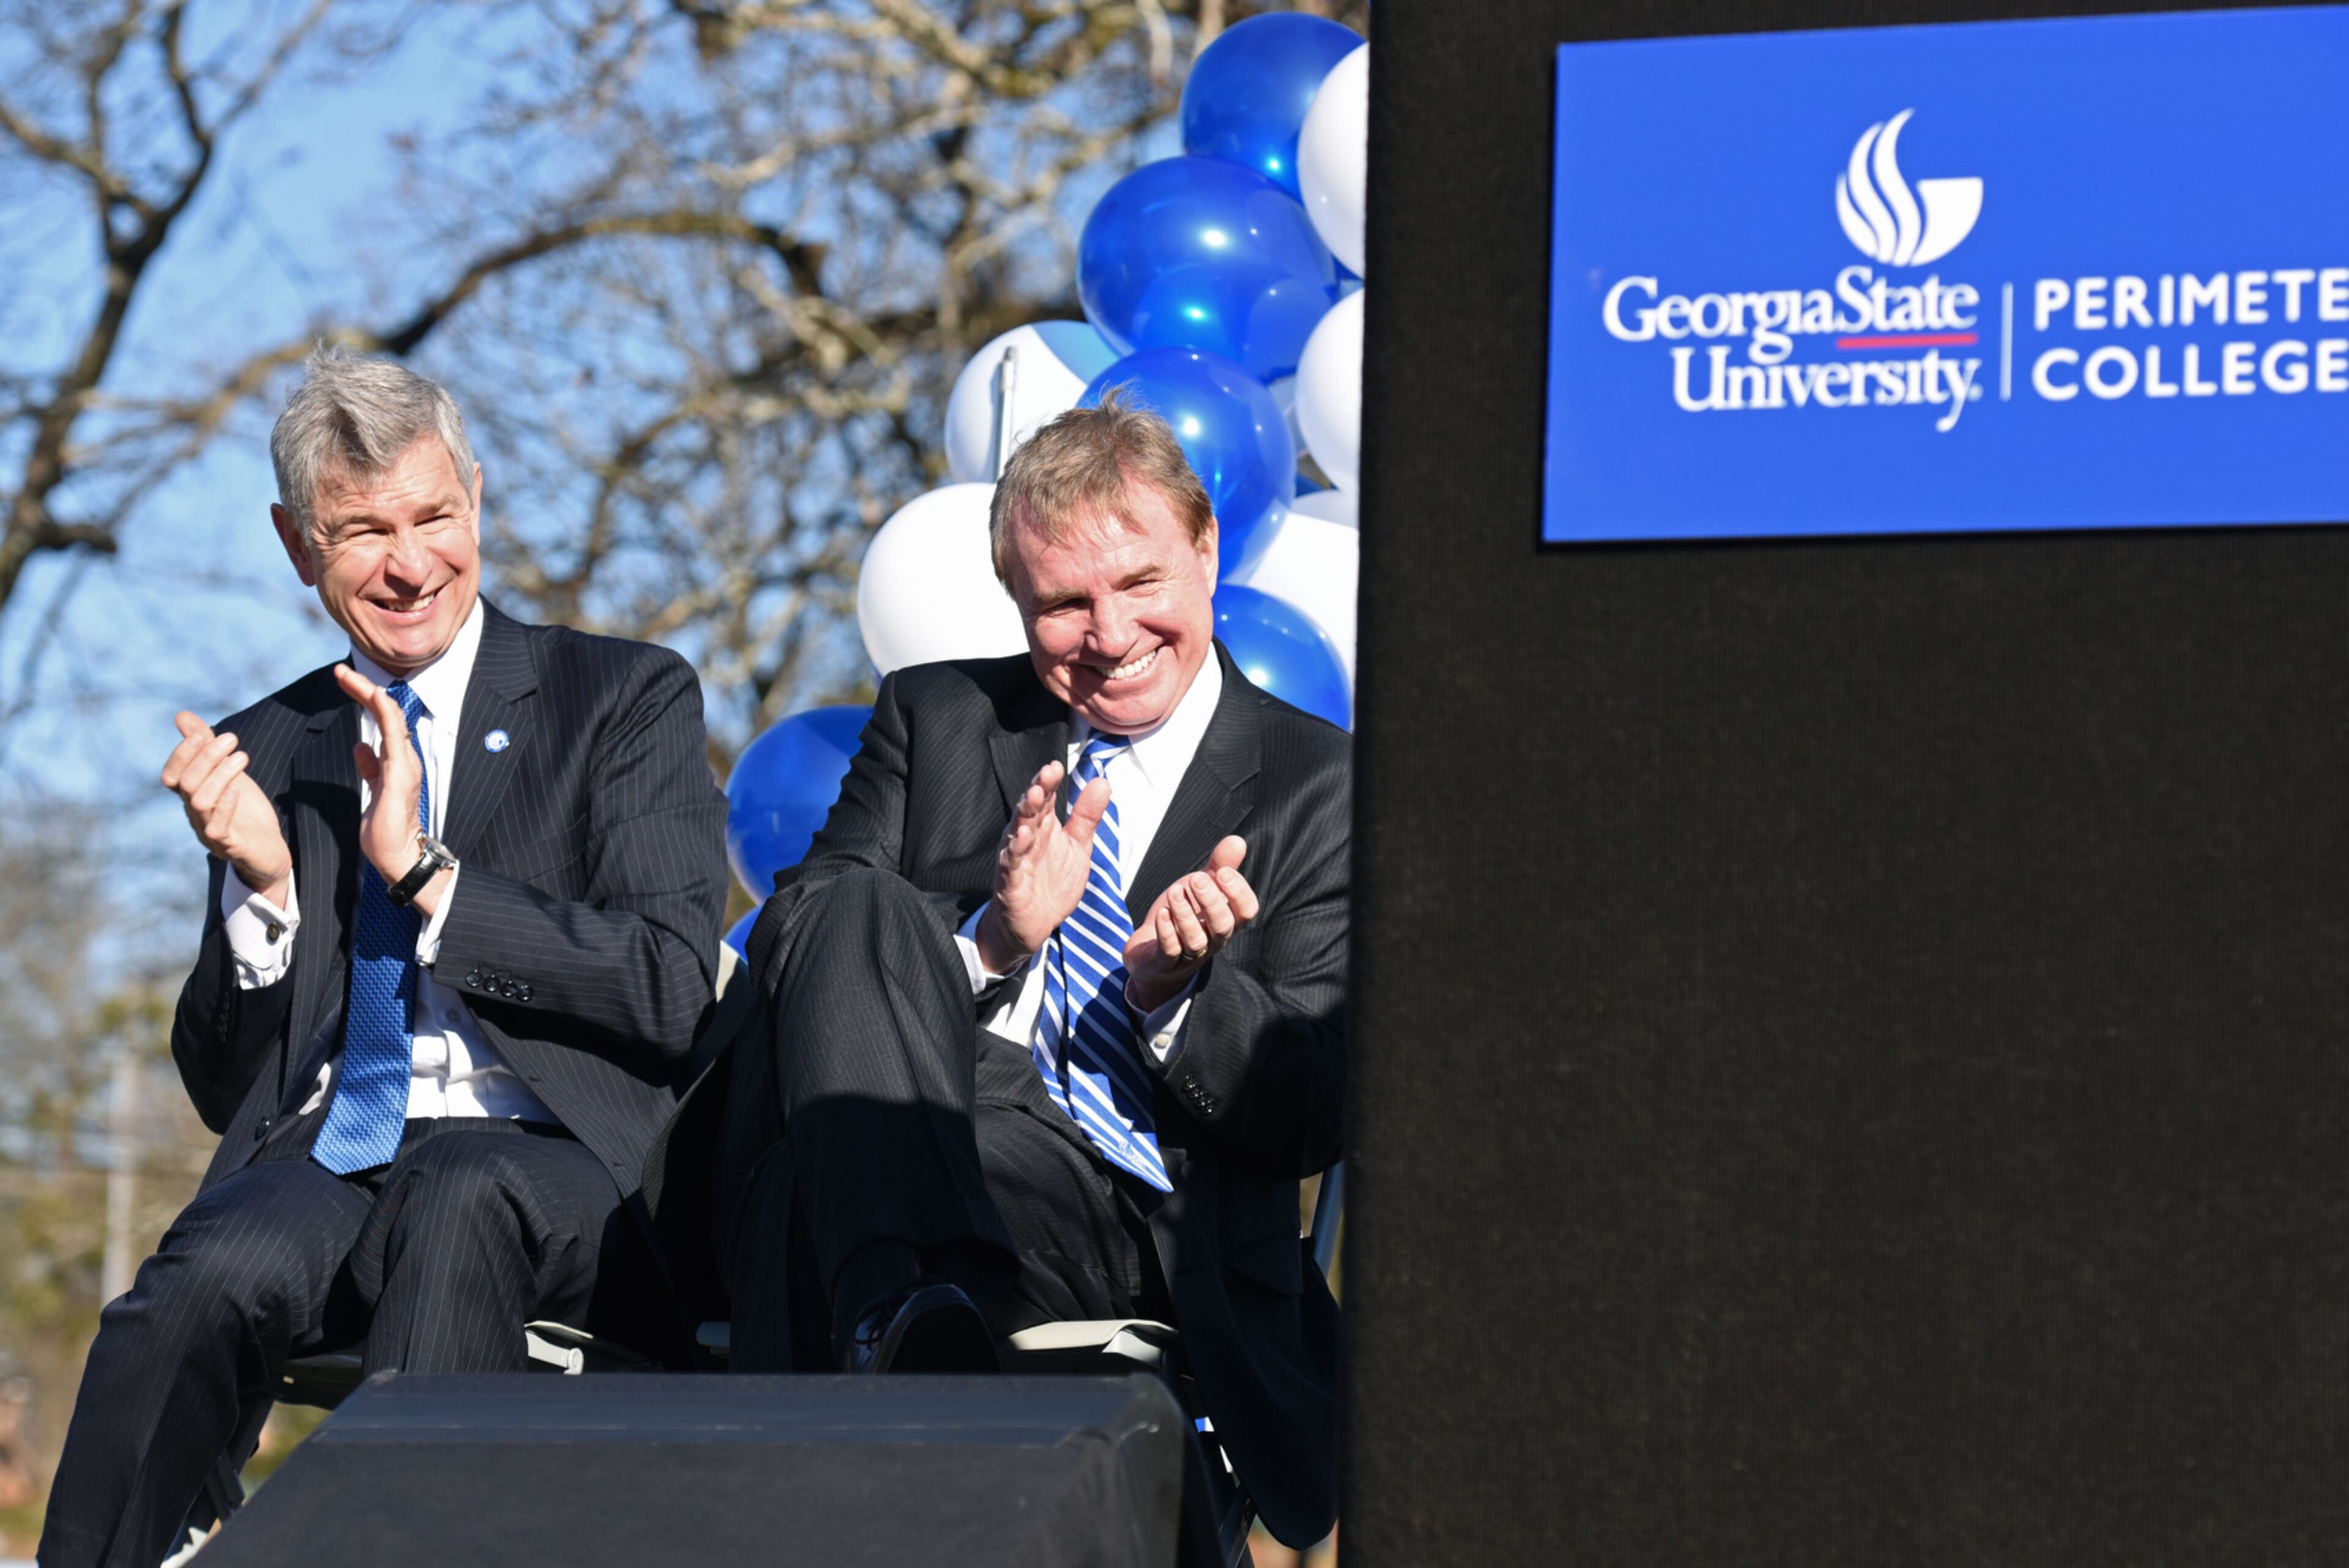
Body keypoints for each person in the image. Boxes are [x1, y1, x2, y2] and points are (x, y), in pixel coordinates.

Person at [39, 348, 729, 1568]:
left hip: (560, 1162)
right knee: (197, 1275)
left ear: (477, 497)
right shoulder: (268, 746)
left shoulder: (622, 697)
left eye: (433, 516)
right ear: (297, 543)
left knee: (458, 1192)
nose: (411, 564)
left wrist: (428, 879)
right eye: (363, 532)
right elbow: (228, 1092)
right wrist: (263, 894)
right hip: (337, 1155)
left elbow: (670, 987)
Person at [709, 391, 1348, 1548]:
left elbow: (1316, 1110)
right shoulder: (939, 716)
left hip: (1132, 1202)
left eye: (1139, 583)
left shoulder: (1327, 787)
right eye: (1064, 604)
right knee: (850, 905)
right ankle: (908, 1313)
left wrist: (1173, 997)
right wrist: (996, 939)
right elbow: (797, 942)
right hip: (915, 1117)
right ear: (1016, 603)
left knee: (813, 1189)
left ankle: (887, 1325)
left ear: (1207, 550)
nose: (1110, 633)